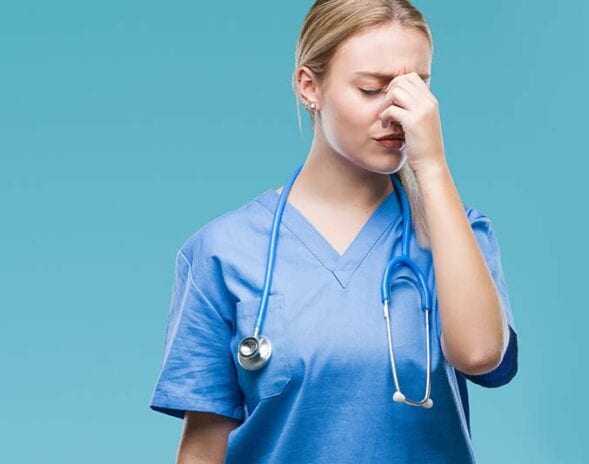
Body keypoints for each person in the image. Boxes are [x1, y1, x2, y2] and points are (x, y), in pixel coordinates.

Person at [149, 1, 519, 462]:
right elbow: (204, 448)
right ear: (310, 87)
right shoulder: (222, 253)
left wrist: (432, 166)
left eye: (415, 89)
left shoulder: (457, 233)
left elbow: (481, 354)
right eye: (371, 88)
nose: (399, 113)